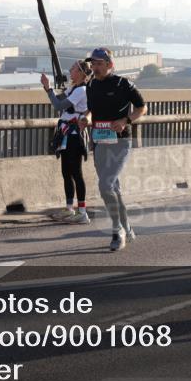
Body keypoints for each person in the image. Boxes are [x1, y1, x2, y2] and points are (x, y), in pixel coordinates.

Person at [79, 47, 148, 251]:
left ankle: (117, 230)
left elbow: (142, 107)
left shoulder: (123, 84)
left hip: (120, 142)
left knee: (106, 185)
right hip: (99, 141)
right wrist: (86, 118)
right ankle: (127, 227)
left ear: (110, 65)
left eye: (99, 63)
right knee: (113, 189)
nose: (95, 67)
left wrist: (125, 120)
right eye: (93, 63)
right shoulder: (90, 85)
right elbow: (91, 110)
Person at [43, 61, 92, 224]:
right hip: (66, 133)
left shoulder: (82, 90)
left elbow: (58, 105)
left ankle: (83, 211)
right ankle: (70, 208)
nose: (70, 70)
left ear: (80, 73)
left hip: (74, 134)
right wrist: (51, 90)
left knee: (76, 172)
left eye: (73, 68)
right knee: (66, 172)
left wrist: (48, 88)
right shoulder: (73, 89)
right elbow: (59, 100)